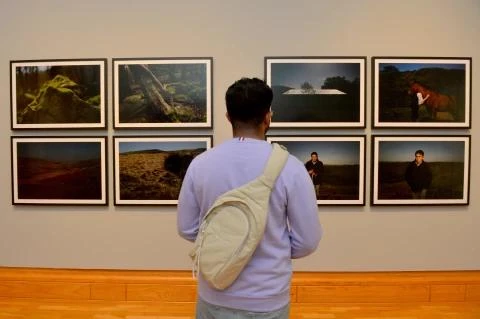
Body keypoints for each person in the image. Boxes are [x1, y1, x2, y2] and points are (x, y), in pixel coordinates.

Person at [177, 77, 322, 319]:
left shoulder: (200, 164)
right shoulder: (291, 167)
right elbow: (307, 241)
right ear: (268, 116)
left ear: (228, 117)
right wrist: (270, 248)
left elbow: (187, 228)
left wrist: (226, 241)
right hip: (267, 297)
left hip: (214, 291)